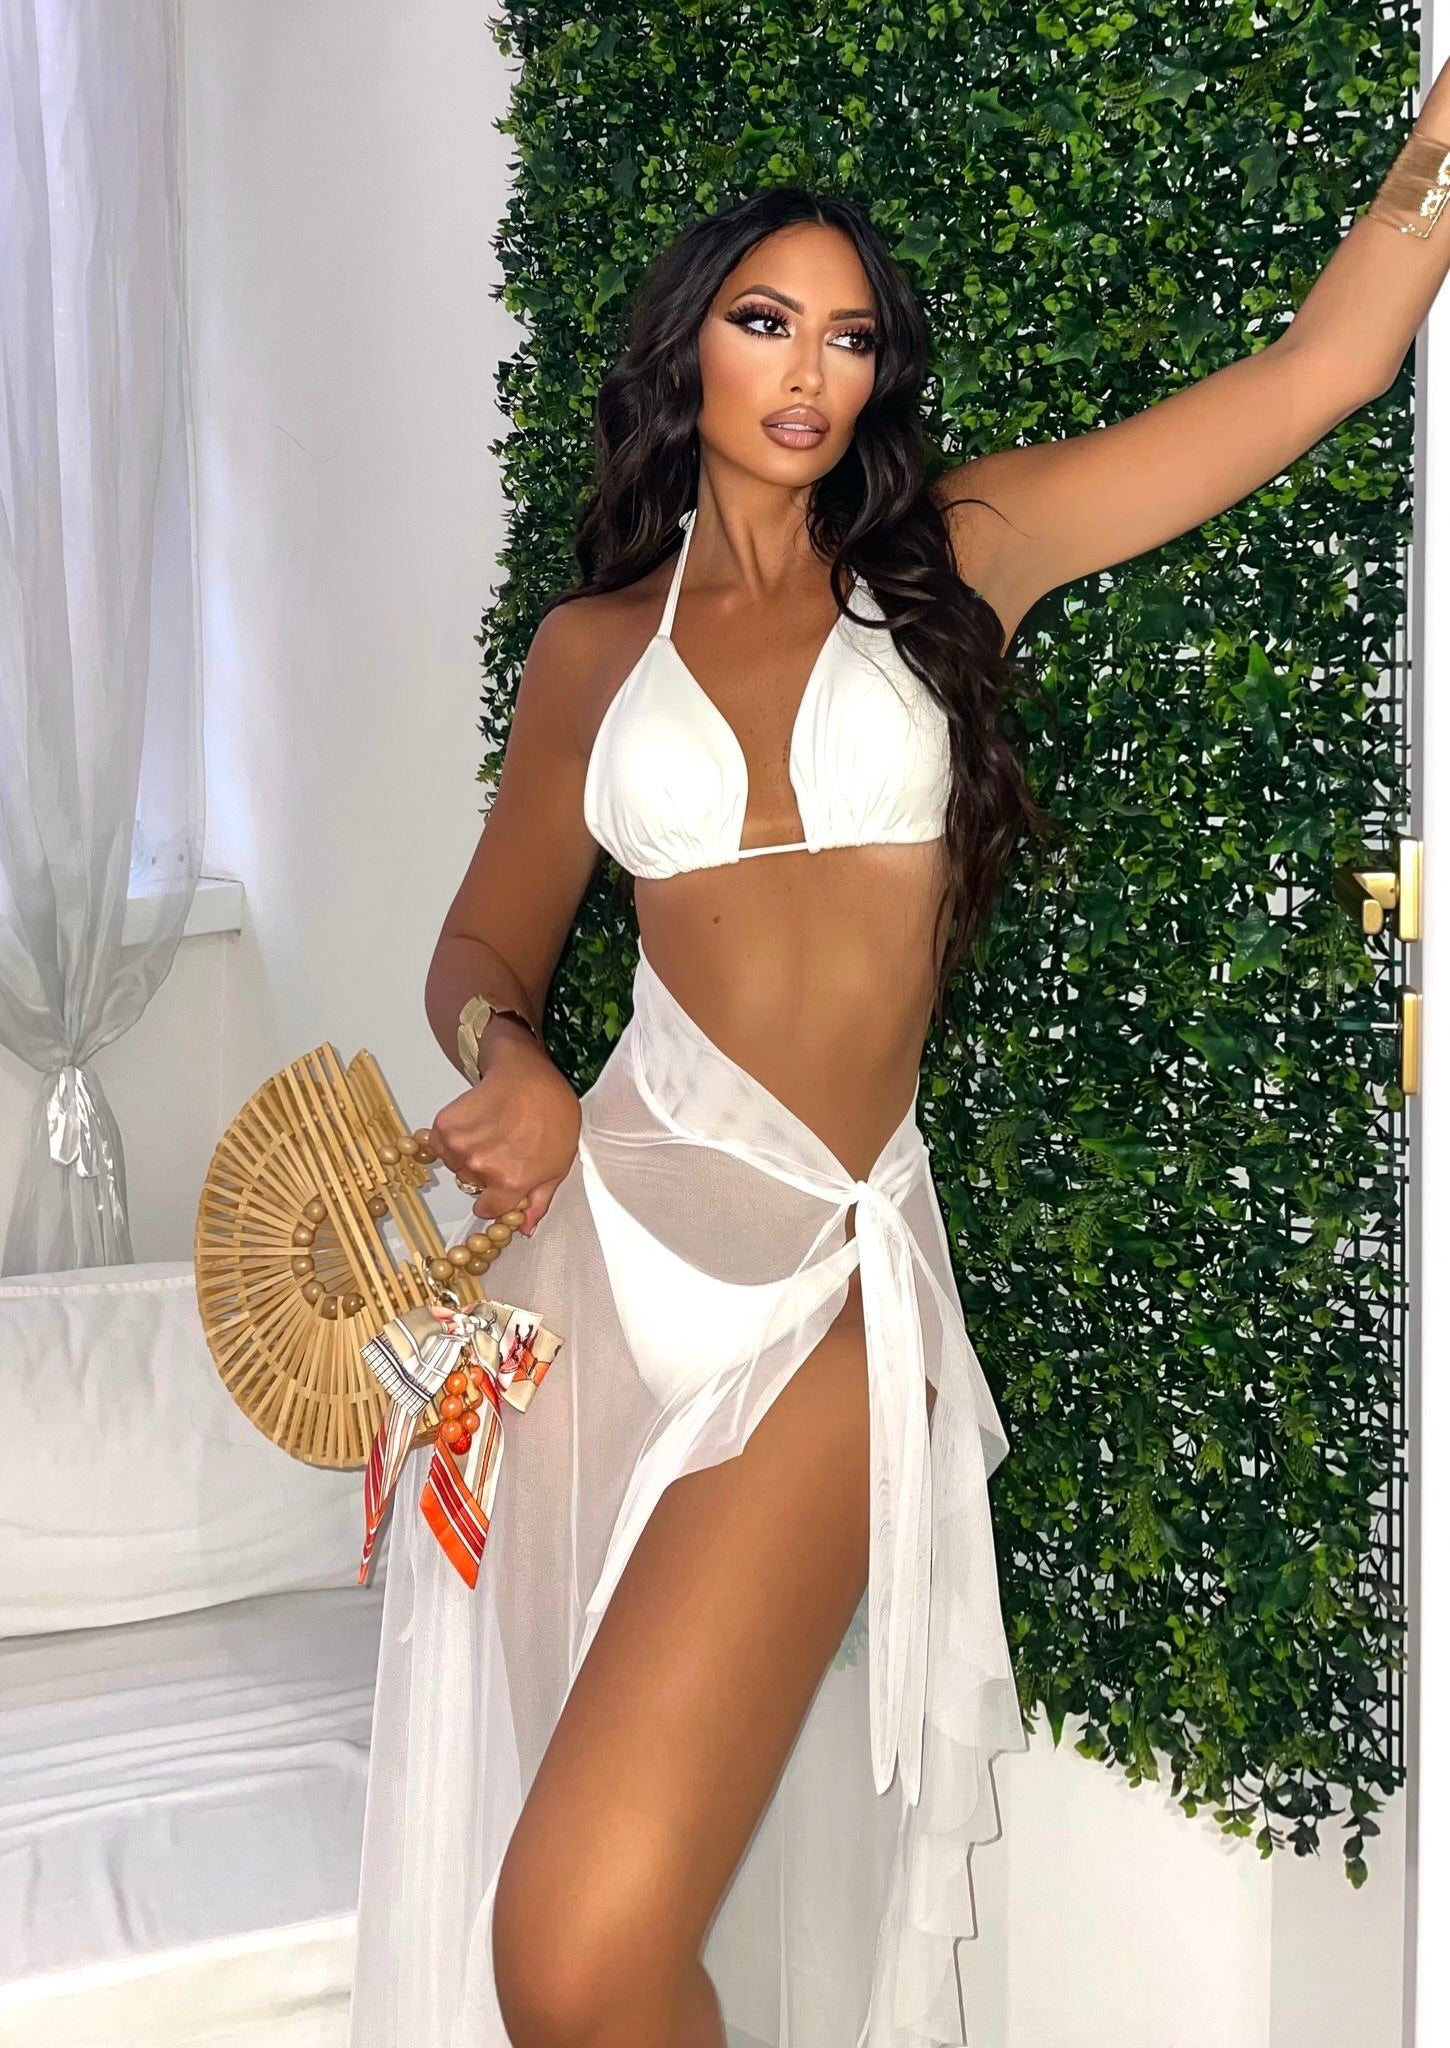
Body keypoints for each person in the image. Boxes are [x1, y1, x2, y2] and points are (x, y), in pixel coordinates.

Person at [348, 127, 1449, 2048]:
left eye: (848, 337)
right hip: (604, 1272)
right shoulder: (594, 654)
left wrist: (1425, 174)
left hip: (831, 1286)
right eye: (766, 322)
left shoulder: (954, 557)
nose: (809, 371)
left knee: (574, 1947)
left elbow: (1318, 373)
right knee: (552, 1918)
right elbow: (477, 950)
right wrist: (503, 1058)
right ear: (687, 347)